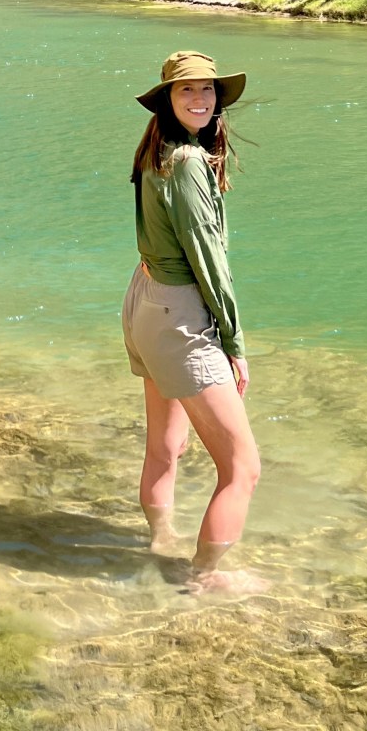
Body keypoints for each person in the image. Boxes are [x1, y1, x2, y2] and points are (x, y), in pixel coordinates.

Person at [121, 50, 263, 593]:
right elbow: (209, 260)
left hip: (146, 301)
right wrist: (234, 342)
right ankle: (204, 578)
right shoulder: (188, 164)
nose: (201, 99)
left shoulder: (157, 151)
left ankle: (160, 543)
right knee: (242, 468)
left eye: (208, 90)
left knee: (166, 445)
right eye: (188, 91)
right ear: (168, 100)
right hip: (180, 314)